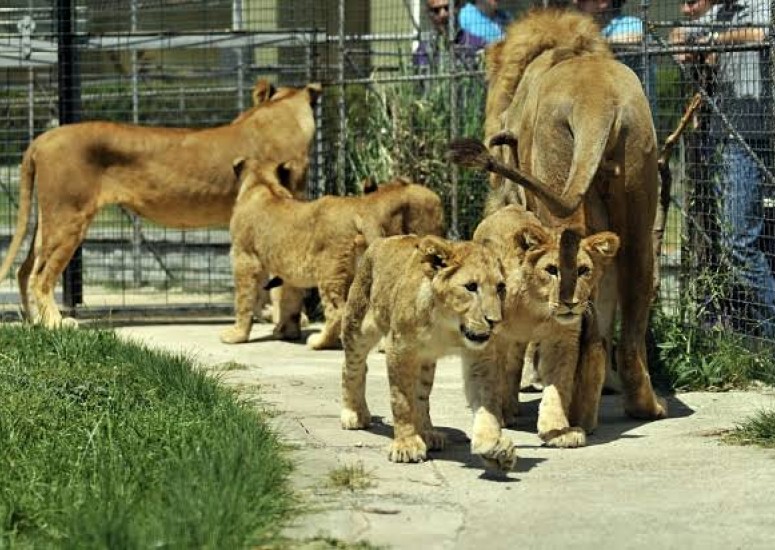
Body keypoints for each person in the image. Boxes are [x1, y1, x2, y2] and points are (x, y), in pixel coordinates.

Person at [705, 0, 775, 337]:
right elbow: (681, 37)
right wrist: (694, 46)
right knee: (733, 241)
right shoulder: (720, 12)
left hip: (753, 133)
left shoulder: (760, 5)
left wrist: (716, 40)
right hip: (724, 133)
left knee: (739, 242)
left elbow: (764, 34)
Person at [412, 0, 486, 71]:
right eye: (436, 10)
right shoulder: (423, 52)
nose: (443, 14)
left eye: (447, 8)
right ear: (429, 14)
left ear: (457, 8)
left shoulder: (477, 45)